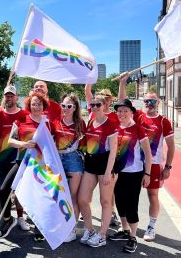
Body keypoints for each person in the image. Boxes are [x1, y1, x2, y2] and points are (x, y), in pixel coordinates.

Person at [118, 75, 175, 242]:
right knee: (127, 196)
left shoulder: (164, 121)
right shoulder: (139, 117)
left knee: (152, 195)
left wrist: (168, 167)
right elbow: (123, 103)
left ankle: (151, 226)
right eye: (147, 101)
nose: (150, 104)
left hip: (155, 164)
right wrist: (122, 83)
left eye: (153, 101)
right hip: (135, 163)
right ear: (144, 103)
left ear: (158, 103)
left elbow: (171, 146)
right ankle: (126, 225)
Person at [8, 92, 56, 242]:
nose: (36, 106)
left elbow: (52, 145)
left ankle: (39, 228)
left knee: (39, 196)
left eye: (39, 104)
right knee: (6, 188)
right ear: (29, 105)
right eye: (34, 103)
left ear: (44, 106)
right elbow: (10, 141)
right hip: (23, 162)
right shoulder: (21, 119)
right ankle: (10, 219)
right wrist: (24, 144)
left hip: (41, 165)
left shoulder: (48, 123)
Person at [107, 99, 152, 254]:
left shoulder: (138, 129)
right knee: (120, 203)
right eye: (120, 111)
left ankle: (133, 237)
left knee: (132, 205)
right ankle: (125, 230)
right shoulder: (114, 128)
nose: (122, 113)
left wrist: (147, 173)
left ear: (132, 112)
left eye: (126, 110)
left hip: (134, 173)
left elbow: (147, 153)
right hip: (118, 173)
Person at [77, 95, 118, 247]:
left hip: (105, 165)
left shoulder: (111, 124)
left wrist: (108, 172)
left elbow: (113, 150)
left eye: (98, 104)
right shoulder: (90, 121)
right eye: (92, 104)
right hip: (90, 164)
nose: (94, 107)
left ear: (105, 105)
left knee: (105, 201)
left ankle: (102, 235)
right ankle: (90, 230)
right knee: (82, 199)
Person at [0, 85, 30, 238]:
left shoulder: (24, 115)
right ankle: (7, 219)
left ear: (16, 97)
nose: (9, 98)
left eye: (12, 95)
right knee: (3, 191)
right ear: (4, 97)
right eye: (7, 95)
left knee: (18, 191)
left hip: (18, 159)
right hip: (1, 160)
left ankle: (20, 217)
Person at [53, 93, 87, 243]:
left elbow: (86, 143)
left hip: (74, 160)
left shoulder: (80, 123)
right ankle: (62, 225)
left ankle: (71, 228)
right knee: (60, 195)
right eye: (63, 105)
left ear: (75, 108)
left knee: (72, 196)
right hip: (57, 160)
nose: (65, 108)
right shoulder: (54, 122)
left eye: (69, 106)